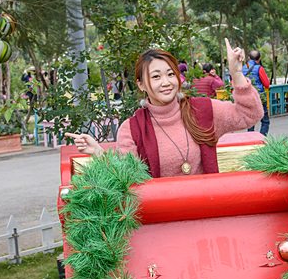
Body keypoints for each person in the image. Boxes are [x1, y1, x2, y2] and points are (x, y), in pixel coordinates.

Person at [66, 39, 263, 177]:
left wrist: (236, 73)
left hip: (206, 213)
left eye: (170, 74)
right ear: (141, 85)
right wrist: (99, 153)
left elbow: (250, 114)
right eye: (156, 77)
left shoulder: (202, 110)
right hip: (159, 220)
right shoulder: (133, 129)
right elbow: (126, 176)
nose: (166, 82)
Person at [242, 49, 270, 136]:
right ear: (259, 58)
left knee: (250, 120)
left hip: (246, 96)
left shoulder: (242, 68)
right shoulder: (259, 68)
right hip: (259, 96)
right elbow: (266, 84)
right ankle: (261, 140)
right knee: (265, 120)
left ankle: (250, 139)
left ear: (249, 58)